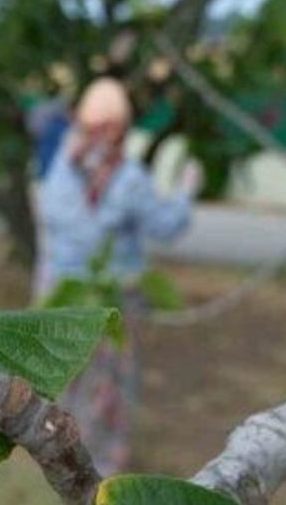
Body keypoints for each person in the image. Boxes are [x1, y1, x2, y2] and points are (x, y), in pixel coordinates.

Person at [33, 77, 201, 475]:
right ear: (122, 127)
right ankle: (99, 469)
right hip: (108, 304)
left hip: (57, 295)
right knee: (107, 389)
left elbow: (62, 224)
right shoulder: (127, 178)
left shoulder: (60, 164)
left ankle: (61, 457)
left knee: (63, 376)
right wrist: (186, 190)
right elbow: (166, 225)